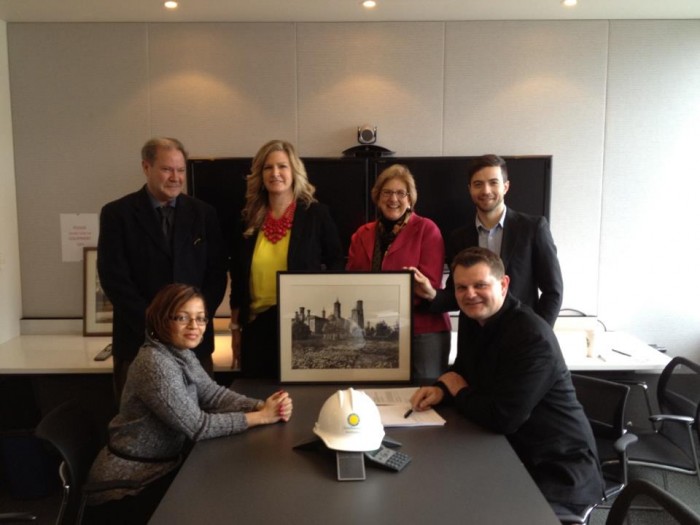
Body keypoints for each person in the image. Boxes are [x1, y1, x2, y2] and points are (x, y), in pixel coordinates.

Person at [410, 247, 603, 517]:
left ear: (503, 284)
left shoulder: (531, 336)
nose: (470, 294)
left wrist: (458, 389)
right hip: (508, 451)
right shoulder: (473, 318)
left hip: (557, 470)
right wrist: (442, 389)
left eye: (480, 285)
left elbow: (504, 418)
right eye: (461, 287)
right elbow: (463, 370)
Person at [84, 283, 293, 525]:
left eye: (201, 318)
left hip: (164, 469)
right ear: (162, 319)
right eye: (182, 318)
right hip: (129, 485)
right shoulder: (155, 363)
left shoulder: (179, 351)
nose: (194, 326)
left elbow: (212, 395)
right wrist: (262, 417)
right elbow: (198, 426)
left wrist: (259, 405)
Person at [97, 137, 227, 403]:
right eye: (167, 169)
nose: (176, 177)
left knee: (200, 426)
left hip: (195, 345)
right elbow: (114, 279)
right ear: (146, 167)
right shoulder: (117, 214)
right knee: (142, 429)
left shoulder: (204, 214)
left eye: (180, 170)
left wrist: (196, 322)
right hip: (138, 342)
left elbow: (216, 274)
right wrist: (156, 326)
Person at [229, 140, 344, 378]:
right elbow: (239, 277)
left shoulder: (315, 214)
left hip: (300, 328)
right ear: (260, 174)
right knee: (257, 400)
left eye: (282, 166)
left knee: (299, 402)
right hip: (256, 326)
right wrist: (235, 327)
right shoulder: (248, 218)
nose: (275, 173)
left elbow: (337, 261)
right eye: (268, 168)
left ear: (294, 171)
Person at [412, 153, 563, 326]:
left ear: (506, 186)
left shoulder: (533, 229)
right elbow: (457, 295)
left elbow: (553, 291)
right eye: (478, 184)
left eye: (493, 182)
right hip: (475, 340)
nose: (486, 191)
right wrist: (431, 292)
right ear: (470, 189)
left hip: (520, 333)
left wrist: (539, 334)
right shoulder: (458, 238)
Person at [346, 164, 451, 381]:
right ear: (377, 197)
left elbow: (429, 283)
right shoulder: (361, 234)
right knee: (382, 395)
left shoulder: (427, 229)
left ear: (410, 198)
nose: (393, 198)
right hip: (377, 330)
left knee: (426, 397)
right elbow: (352, 280)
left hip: (423, 330)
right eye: (387, 192)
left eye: (400, 193)